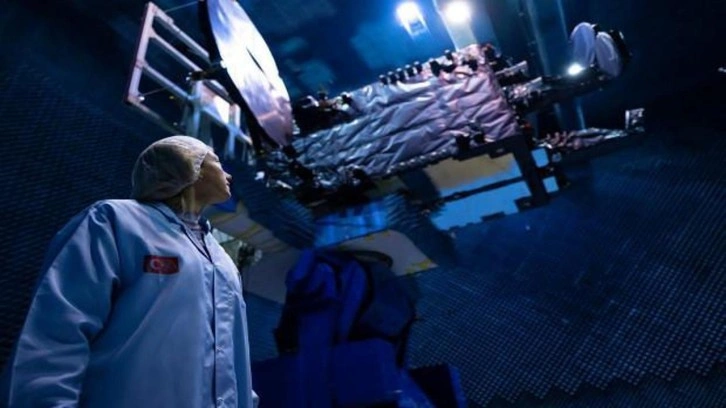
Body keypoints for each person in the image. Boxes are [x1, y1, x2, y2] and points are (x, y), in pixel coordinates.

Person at [0, 136, 257, 407]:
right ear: (189, 166)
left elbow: (232, 356)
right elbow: (58, 330)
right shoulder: (116, 221)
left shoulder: (223, 259)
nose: (228, 174)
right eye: (217, 162)